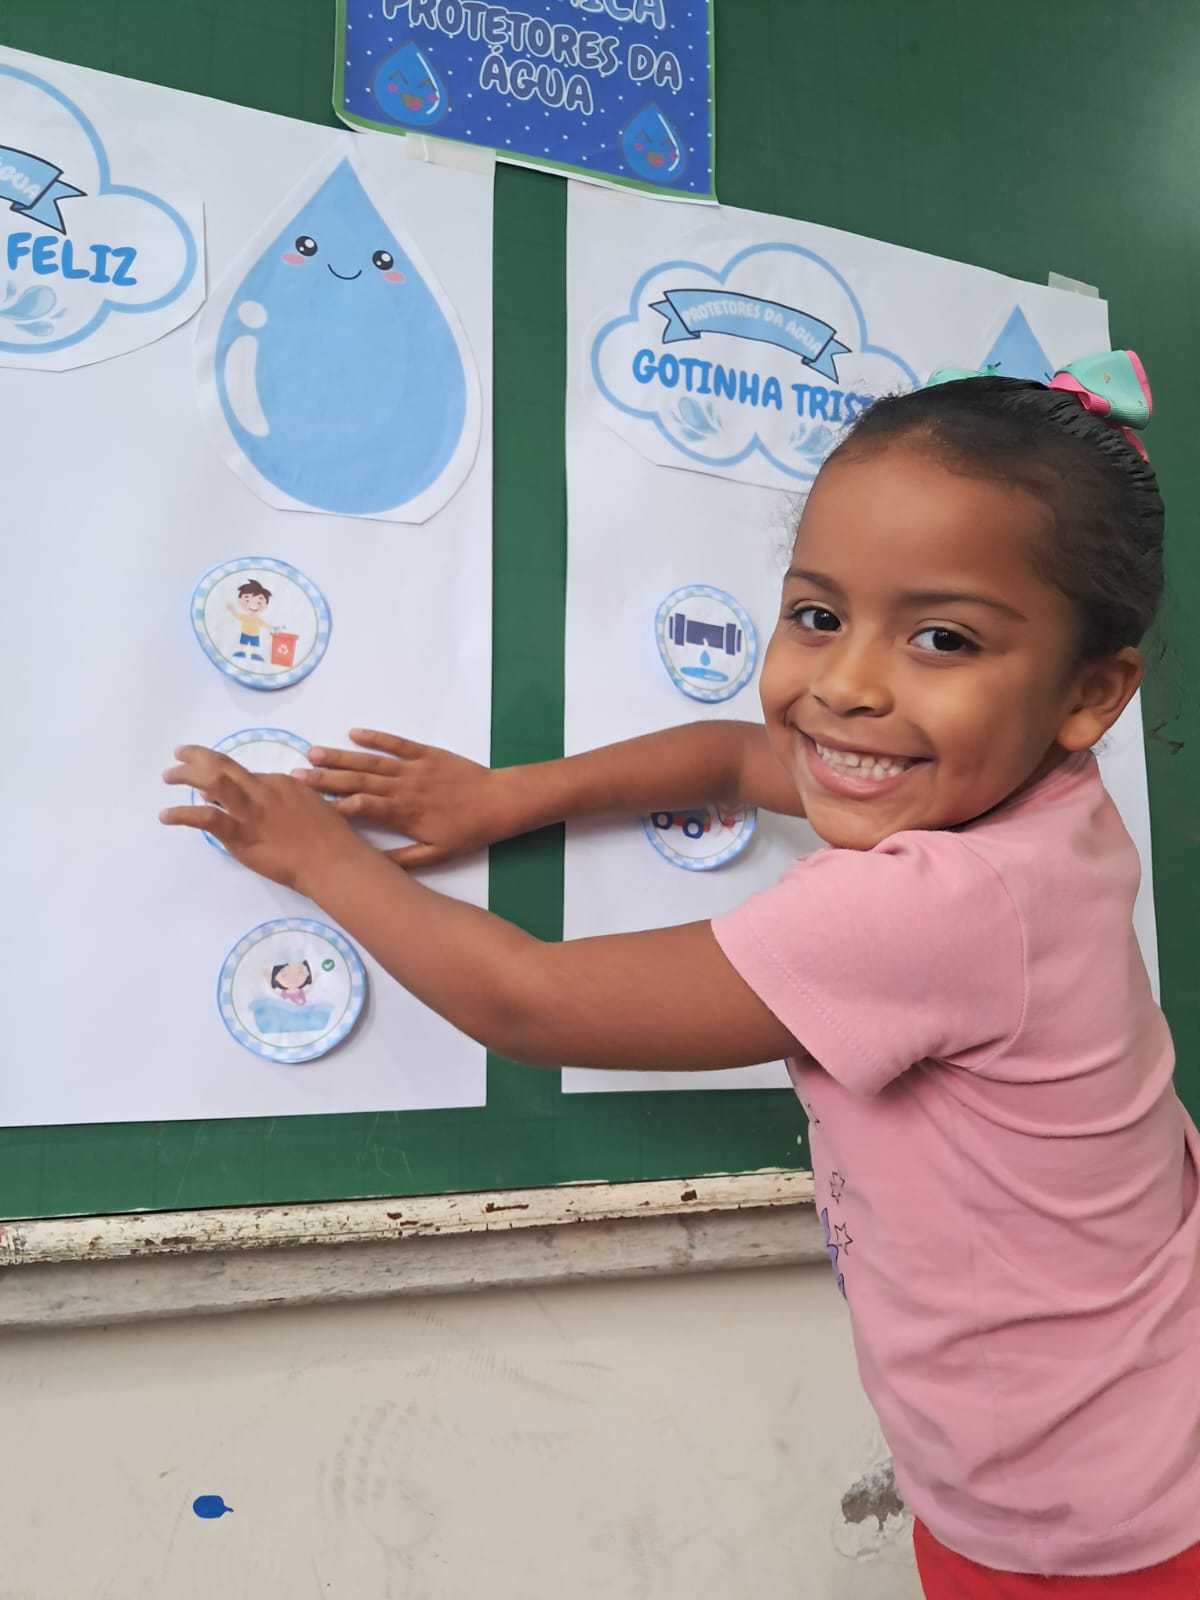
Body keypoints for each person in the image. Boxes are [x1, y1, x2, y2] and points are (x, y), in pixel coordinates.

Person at [161, 351, 1200, 1594]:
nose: (846, 684)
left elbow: (529, 999)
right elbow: (731, 754)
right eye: (817, 615)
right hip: (1103, 1434)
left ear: (1092, 692)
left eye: (942, 637)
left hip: (1097, 1519)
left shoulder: (939, 902)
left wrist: (320, 854)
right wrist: (505, 798)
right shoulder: (1044, 804)